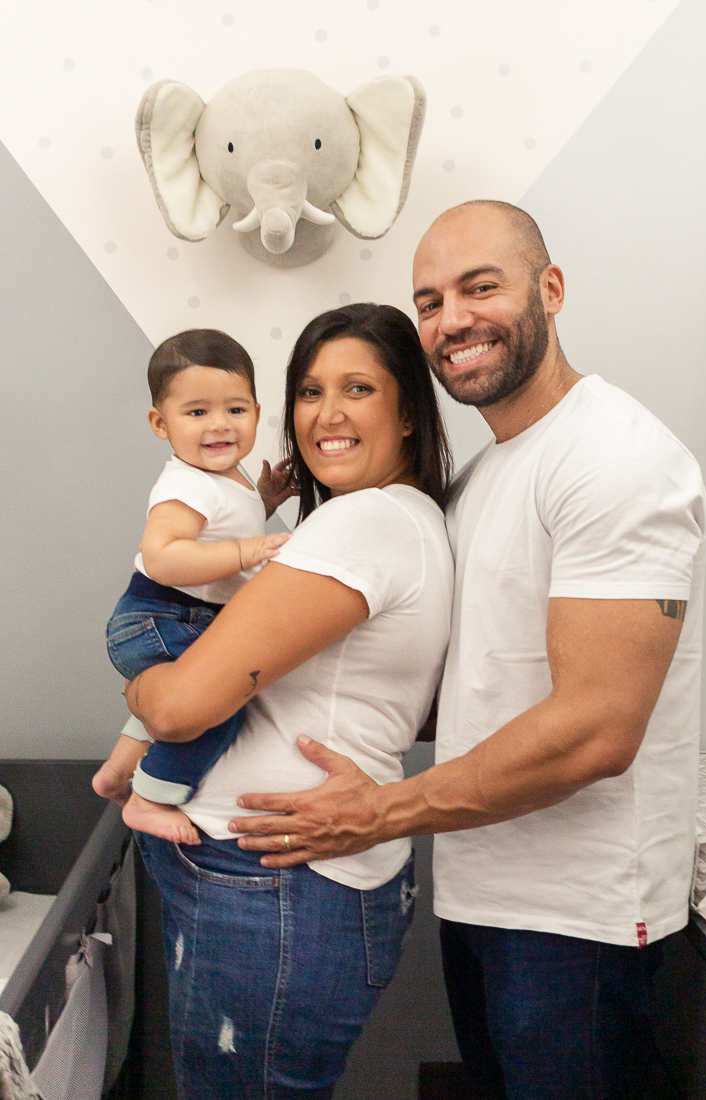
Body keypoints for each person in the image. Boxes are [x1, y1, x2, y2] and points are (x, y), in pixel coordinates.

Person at [231, 202, 706, 1100]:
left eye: (479, 288)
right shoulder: (488, 472)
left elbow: (596, 730)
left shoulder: (614, 460)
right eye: (429, 301)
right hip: (483, 890)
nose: (451, 319)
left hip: (580, 921)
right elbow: (469, 681)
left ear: (550, 289)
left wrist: (377, 813)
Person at [121, 303, 455, 1099]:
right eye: (309, 391)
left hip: (268, 878)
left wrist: (136, 677)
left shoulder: (364, 523)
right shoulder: (398, 520)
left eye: (357, 389)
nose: (326, 414)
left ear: (408, 412)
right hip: (279, 879)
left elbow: (177, 709)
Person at [93, 329, 292, 844]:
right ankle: (149, 797)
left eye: (235, 409)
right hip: (162, 614)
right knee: (214, 702)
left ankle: (117, 771)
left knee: (184, 692)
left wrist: (264, 501)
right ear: (161, 423)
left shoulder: (225, 475)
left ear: (257, 412)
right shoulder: (186, 483)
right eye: (197, 412)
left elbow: (221, 523)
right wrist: (245, 552)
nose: (219, 424)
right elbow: (163, 557)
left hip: (172, 617)